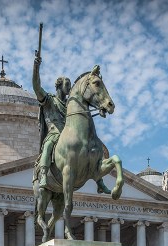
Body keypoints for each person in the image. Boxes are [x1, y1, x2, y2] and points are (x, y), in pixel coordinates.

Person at [32, 54, 111, 194]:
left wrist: (100, 107)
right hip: (55, 133)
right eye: (67, 85)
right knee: (48, 145)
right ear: (59, 86)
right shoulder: (49, 100)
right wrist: (36, 67)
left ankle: (99, 179)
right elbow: (37, 87)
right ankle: (43, 174)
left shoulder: (70, 104)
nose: (69, 88)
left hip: (69, 134)